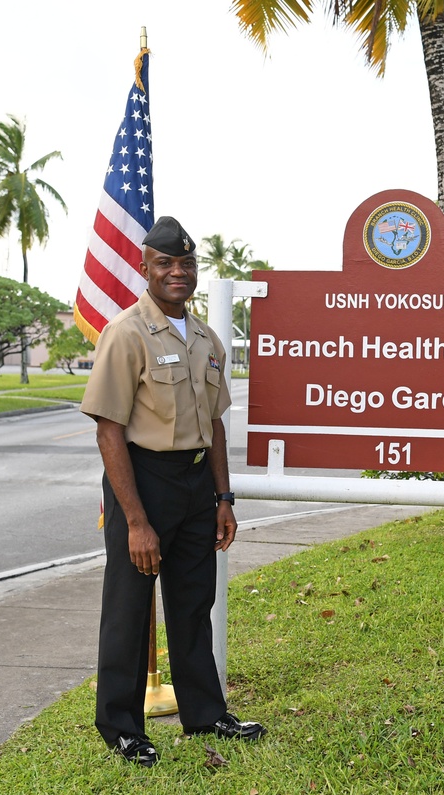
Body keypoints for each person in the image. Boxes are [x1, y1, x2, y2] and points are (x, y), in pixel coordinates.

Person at [80, 216, 266, 767]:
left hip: (194, 485)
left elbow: (216, 426)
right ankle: (121, 727)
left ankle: (205, 713)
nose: (177, 273)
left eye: (186, 264)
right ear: (146, 268)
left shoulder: (208, 337)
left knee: (193, 602)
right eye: (165, 263)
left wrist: (225, 499)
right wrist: (136, 520)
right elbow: (108, 429)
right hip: (143, 482)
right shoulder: (126, 333)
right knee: (130, 608)